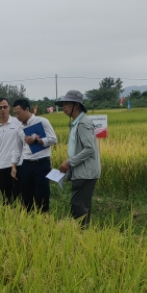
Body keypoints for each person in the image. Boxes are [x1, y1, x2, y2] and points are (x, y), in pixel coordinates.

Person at [56, 90, 101, 228]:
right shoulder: (77, 123)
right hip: (81, 171)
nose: (63, 107)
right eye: (62, 104)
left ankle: (81, 236)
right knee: (80, 205)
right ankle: (83, 234)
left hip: (85, 172)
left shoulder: (82, 123)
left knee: (78, 206)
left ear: (76, 105)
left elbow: (89, 149)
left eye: (66, 104)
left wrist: (69, 162)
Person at [10, 98, 57, 212]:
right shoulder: (19, 129)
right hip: (26, 164)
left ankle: (44, 220)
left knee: (42, 195)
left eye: (18, 113)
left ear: (27, 109)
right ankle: (29, 222)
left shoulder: (42, 122)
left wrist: (36, 140)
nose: (17, 116)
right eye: (15, 114)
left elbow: (53, 139)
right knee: (26, 196)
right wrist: (14, 166)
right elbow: (17, 149)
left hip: (41, 163)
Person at [0, 97, 22, 204]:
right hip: (1, 166)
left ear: (9, 108)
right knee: (6, 197)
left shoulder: (18, 123)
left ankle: (22, 218)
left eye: (5, 107)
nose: (2, 110)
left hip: (18, 165)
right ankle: (7, 217)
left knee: (19, 196)